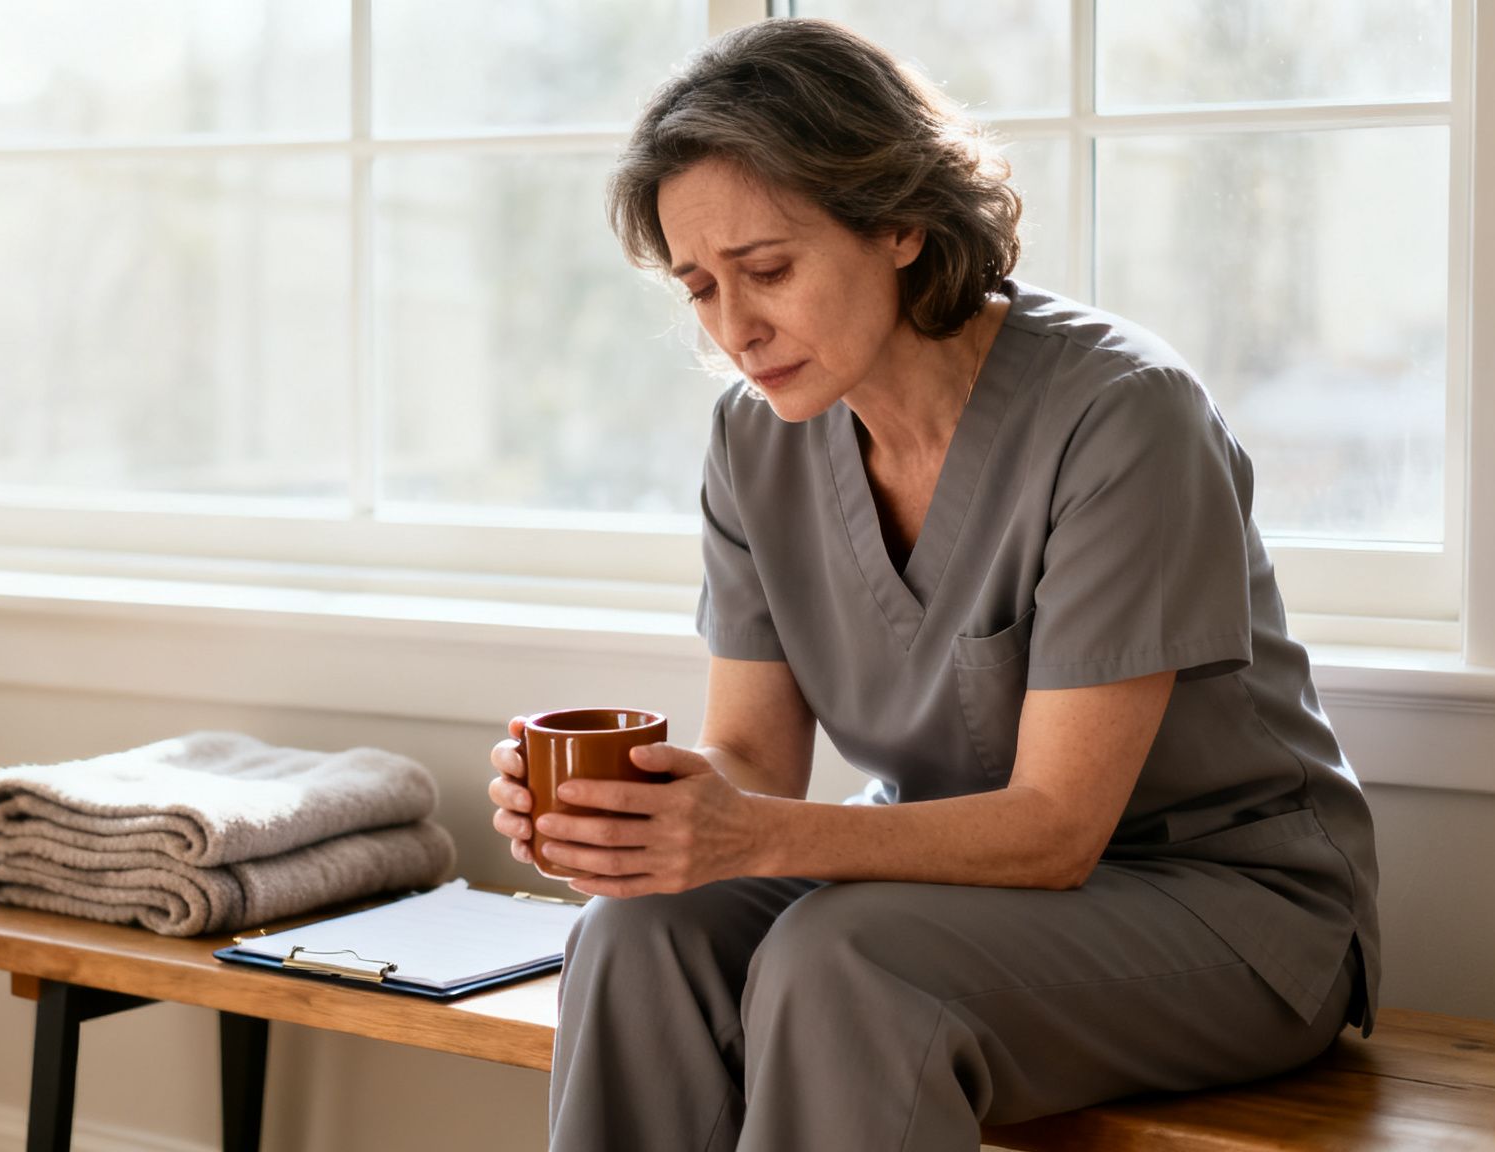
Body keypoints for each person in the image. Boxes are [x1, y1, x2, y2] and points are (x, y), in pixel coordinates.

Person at [485, 18, 1381, 1152]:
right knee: (634, 931)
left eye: (767, 270)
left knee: (845, 963)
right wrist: (637, 818)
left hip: (1227, 909)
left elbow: (1057, 831)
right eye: (699, 287)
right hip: (936, 890)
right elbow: (756, 763)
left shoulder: (1121, 417)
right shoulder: (752, 441)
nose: (733, 329)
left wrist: (745, 837)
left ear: (898, 220)